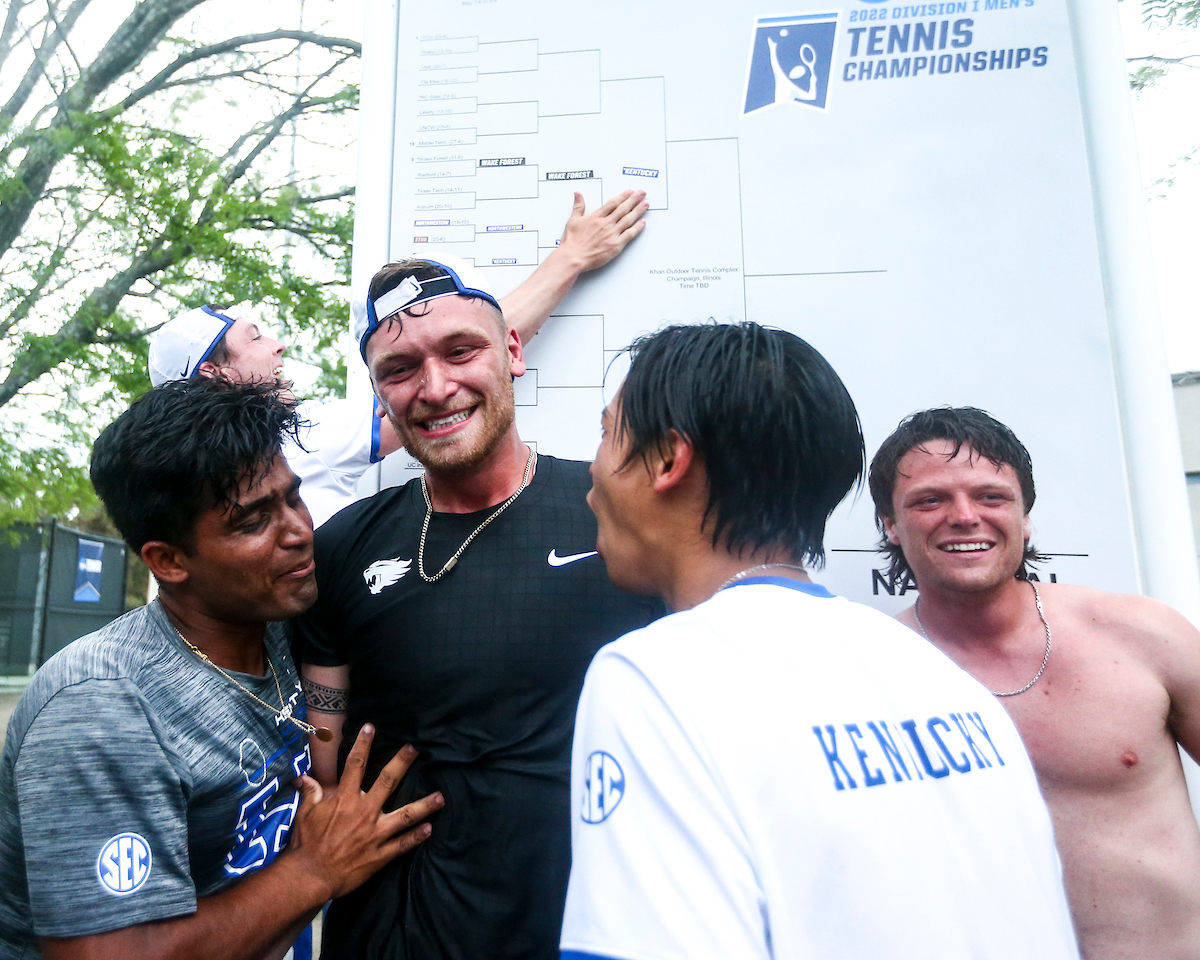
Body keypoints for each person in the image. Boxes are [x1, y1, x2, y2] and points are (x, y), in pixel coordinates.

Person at [559, 325, 1079, 960]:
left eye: (608, 433)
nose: (592, 472)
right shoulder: (942, 678)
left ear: (669, 459)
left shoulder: (656, 676)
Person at [292, 257, 664, 960]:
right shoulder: (341, 546)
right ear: (379, 393)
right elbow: (325, 761)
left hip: (595, 929)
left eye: (461, 351)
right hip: (394, 935)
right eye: (399, 369)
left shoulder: (621, 514)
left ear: (513, 352)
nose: (436, 388)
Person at [0, 378, 443, 960]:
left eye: (293, 496)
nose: (299, 531)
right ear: (168, 560)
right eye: (253, 521)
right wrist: (315, 870)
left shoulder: (289, 624)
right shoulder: (102, 709)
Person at [869, 406, 1200, 959]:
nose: (964, 516)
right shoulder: (864, 667)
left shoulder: (1143, 635)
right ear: (890, 526)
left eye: (991, 496)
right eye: (930, 500)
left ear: (1026, 518)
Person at [146, 190, 650, 526]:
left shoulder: (174, 489)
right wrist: (571, 259)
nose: (277, 345)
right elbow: (466, 343)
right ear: (214, 373)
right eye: (253, 339)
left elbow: (453, 351)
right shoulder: (295, 435)